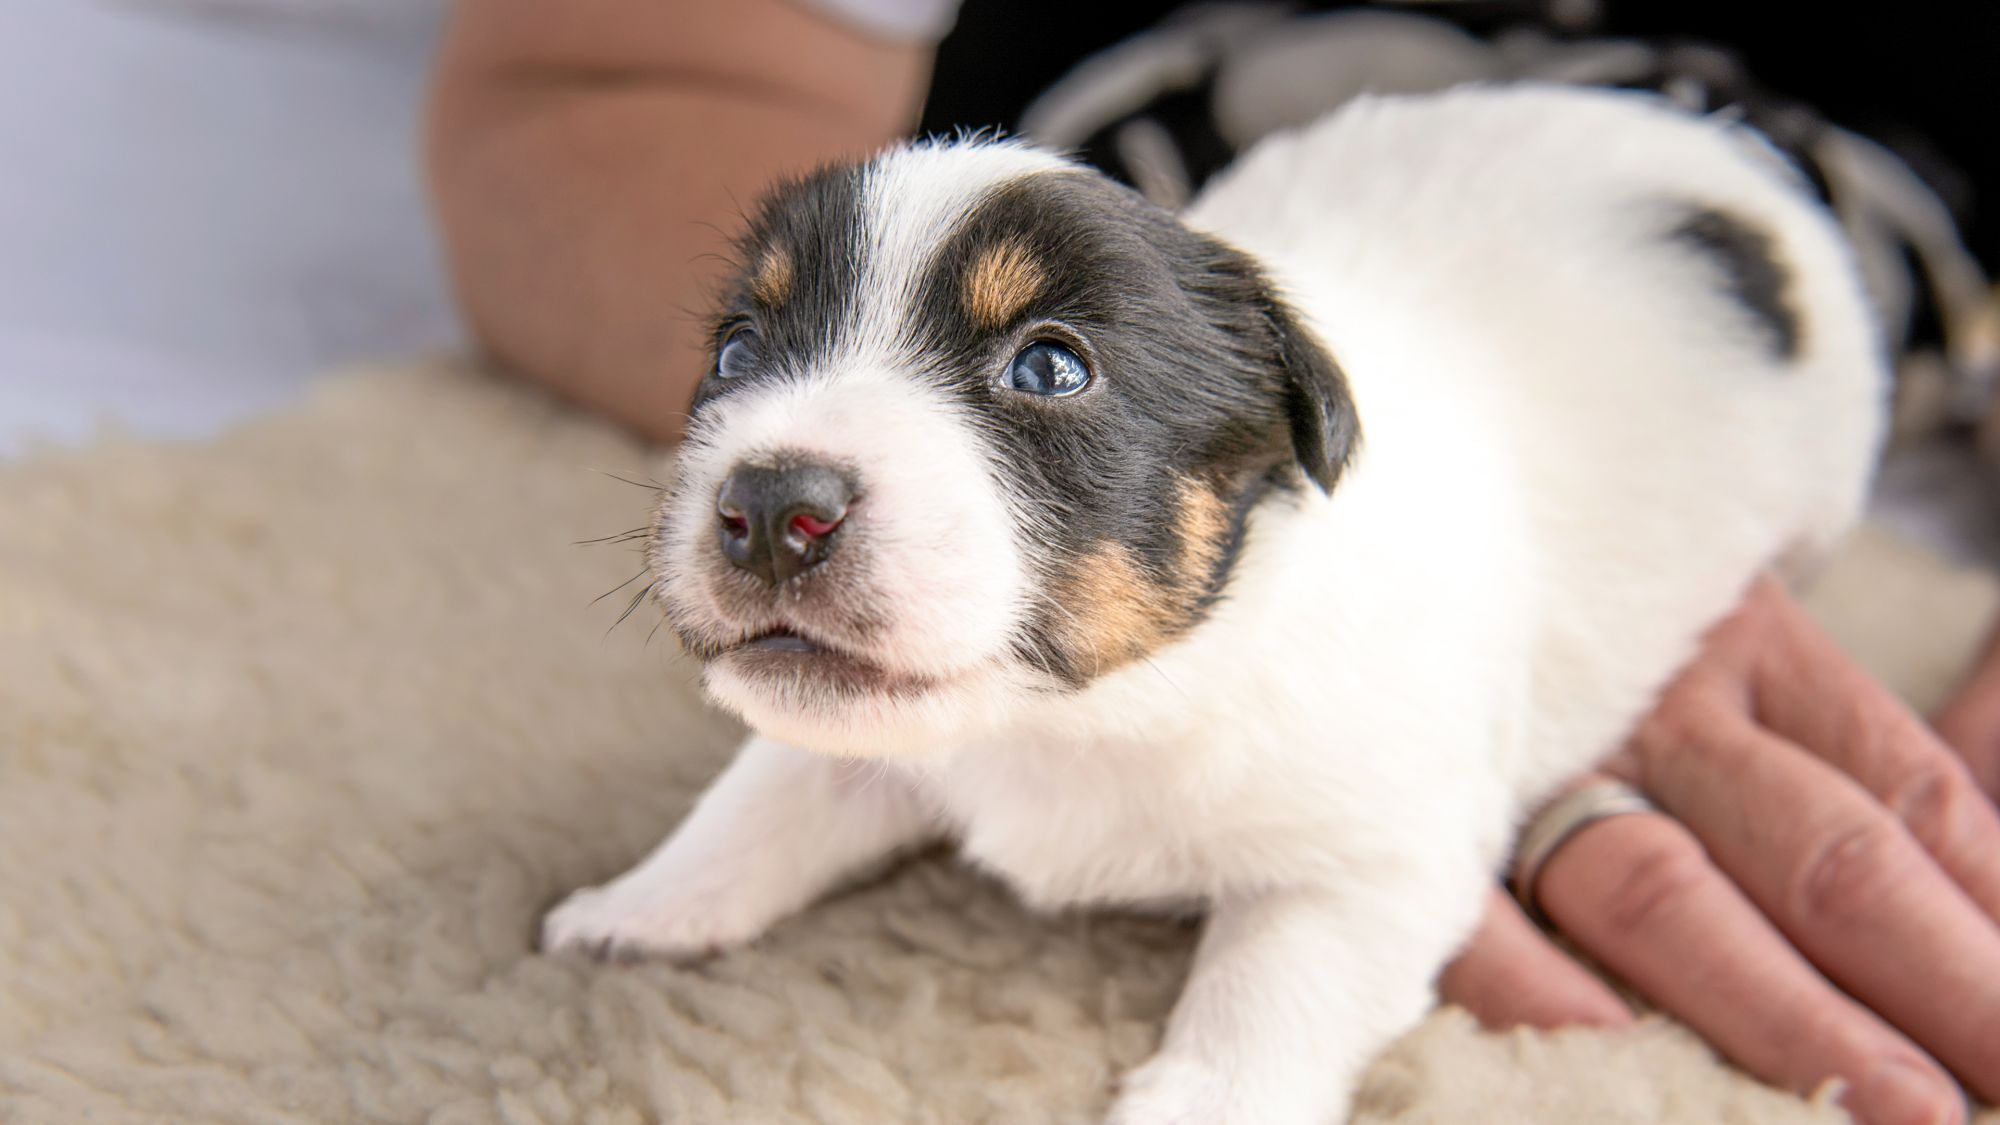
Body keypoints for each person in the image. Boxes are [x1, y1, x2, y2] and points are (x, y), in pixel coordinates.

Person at [426, 2, 2000, 1121]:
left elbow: (1369, 865)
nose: (769, 483)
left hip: (1750, 273)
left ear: (1278, 464)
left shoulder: (1362, 630)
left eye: (1040, 372)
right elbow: (599, 68)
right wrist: (678, 892)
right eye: (756, 346)